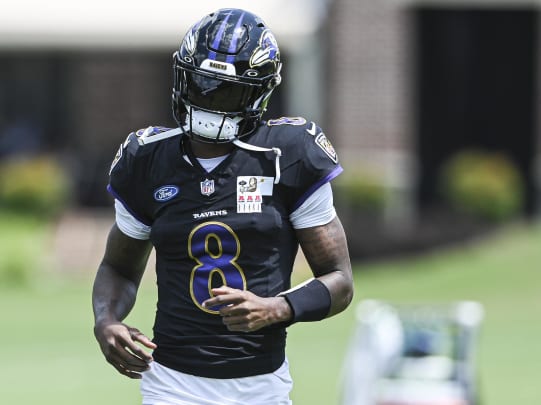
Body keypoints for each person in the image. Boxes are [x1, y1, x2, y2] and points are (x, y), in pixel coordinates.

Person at [91, 8, 353, 404]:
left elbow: (339, 280)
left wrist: (278, 308)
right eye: (200, 84)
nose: (209, 98)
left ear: (258, 92)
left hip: (261, 386)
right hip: (172, 383)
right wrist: (106, 320)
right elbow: (118, 266)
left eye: (227, 90)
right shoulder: (148, 159)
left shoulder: (288, 154)